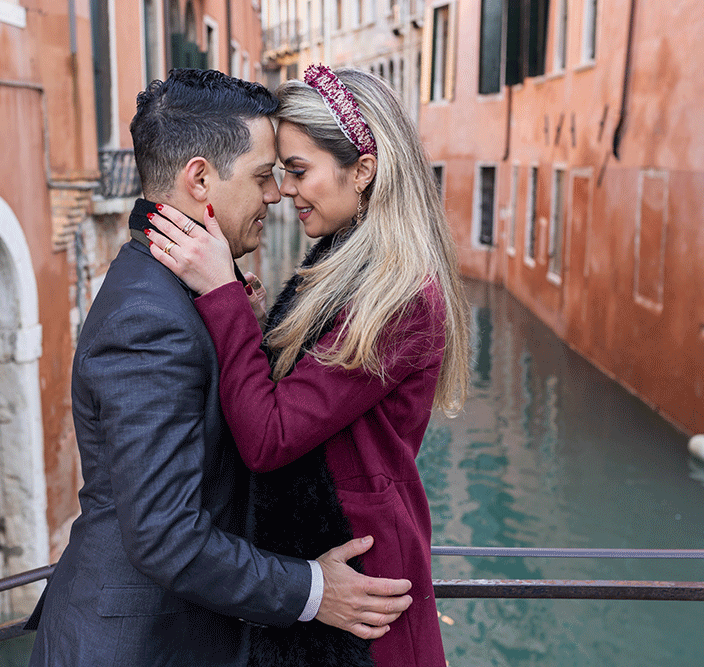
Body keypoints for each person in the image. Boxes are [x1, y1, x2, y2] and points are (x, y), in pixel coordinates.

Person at [25, 68, 415, 667]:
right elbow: (165, 535)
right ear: (200, 178)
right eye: (263, 176)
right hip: (134, 647)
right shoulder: (148, 319)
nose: (277, 195)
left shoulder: (179, 287)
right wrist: (313, 590)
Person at [146, 65, 471, 666]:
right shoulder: (346, 263)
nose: (284, 191)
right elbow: (301, 398)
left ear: (363, 170)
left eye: (298, 171)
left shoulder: (396, 296)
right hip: (320, 560)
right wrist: (251, 320)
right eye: (278, 172)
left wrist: (221, 296)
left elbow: (270, 437)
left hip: (360, 580)